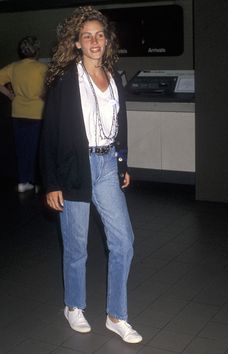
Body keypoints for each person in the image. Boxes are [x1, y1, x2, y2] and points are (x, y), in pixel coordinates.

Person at [40, 6, 142, 344]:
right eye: (88, 36)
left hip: (106, 165)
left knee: (123, 242)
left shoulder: (113, 76)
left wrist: (122, 163)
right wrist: (51, 181)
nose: (95, 41)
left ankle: (116, 315)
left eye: (100, 35)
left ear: (107, 40)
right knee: (77, 246)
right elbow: (49, 133)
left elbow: (120, 126)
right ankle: (74, 306)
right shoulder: (65, 80)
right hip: (74, 168)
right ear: (78, 42)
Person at [0, 36, 48, 193]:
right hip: (37, 114)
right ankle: (35, 183)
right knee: (36, 150)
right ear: (37, 51)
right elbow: (46, 91)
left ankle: (22, 182)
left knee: (21, 149)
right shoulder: (42, 68)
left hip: (18, 113)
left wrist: (10, 95)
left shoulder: (14, 67)